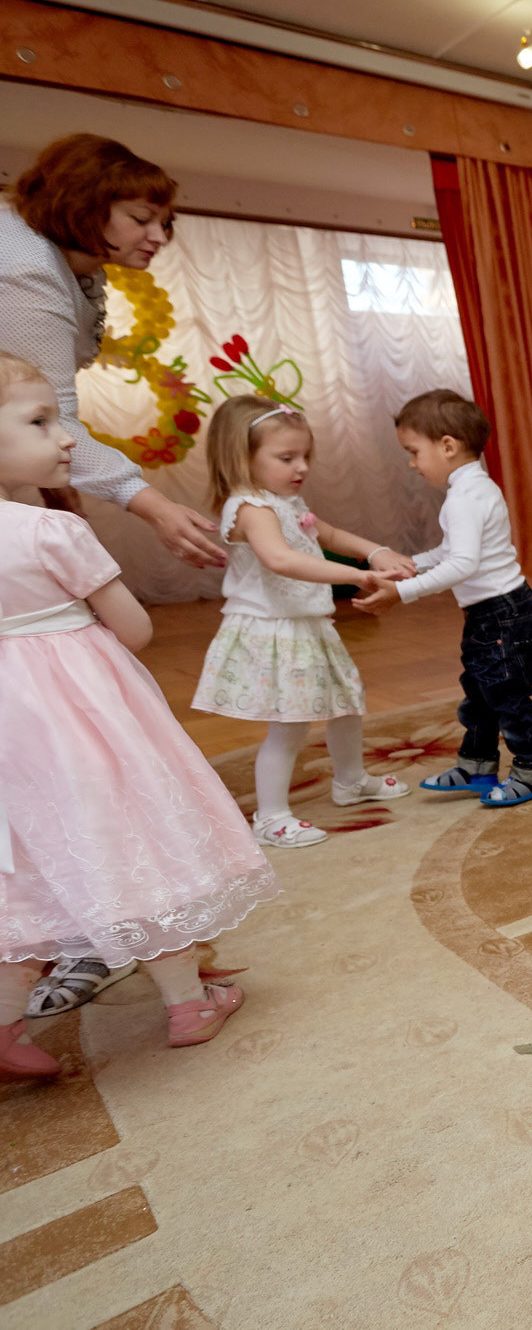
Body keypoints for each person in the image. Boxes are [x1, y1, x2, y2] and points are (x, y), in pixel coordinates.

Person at [0, 352, 278, 1075]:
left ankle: (3, 1032)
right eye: (40, 420)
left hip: (10, 732)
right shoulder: (52, 531)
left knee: (28, 870)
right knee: (130, 844)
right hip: (84, 717)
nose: (66, 437)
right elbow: (134, 630)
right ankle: (188, 1002)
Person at [191, 396, 416, 847]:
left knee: (346, 704)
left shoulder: (287, 501)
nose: (301, 468)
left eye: (305, 456)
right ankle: (271, 817)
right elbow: (281, 559)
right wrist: (359, 575)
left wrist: (374, 550)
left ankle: (350, 781)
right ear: (242, 457)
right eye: (286, 457)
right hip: (274, 630)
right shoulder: (250, 507)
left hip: (309, 623)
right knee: (290, 724)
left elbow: (326, 534)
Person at [0, 134, 225, 568]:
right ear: (83, 206)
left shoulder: (69, 263)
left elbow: (28, 399)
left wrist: (56, 483)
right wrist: (155, 507)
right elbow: (52, 414)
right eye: (142, 219)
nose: (159, 236)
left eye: (164, 222)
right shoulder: (25, 269)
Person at [354, 390, 532, 809]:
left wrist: (400, 592)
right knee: (480, 693)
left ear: (448, 445)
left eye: (413, 451)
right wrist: (411, 565)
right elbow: (453, 555)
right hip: (494, 614)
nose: (411, 463)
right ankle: (478, 764)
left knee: (507, 697)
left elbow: (462, 565)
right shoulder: (473, 490)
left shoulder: (465, 498)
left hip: (503, 615)